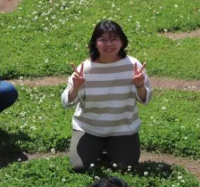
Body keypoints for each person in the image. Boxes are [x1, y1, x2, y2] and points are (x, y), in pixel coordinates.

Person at [62, 20, 152, 172]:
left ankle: (110, 149)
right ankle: (99, 148)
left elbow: (145, 99)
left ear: (122, 41)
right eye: (102, 40)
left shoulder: (133, 65)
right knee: (80, 167)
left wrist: (139, 85)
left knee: (126, 168)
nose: (108, 44)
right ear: (95, 43)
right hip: (89, 128)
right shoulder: (85, 68)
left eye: (113, 39)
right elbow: (67, 102)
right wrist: (76, 87)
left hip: (123, 129)